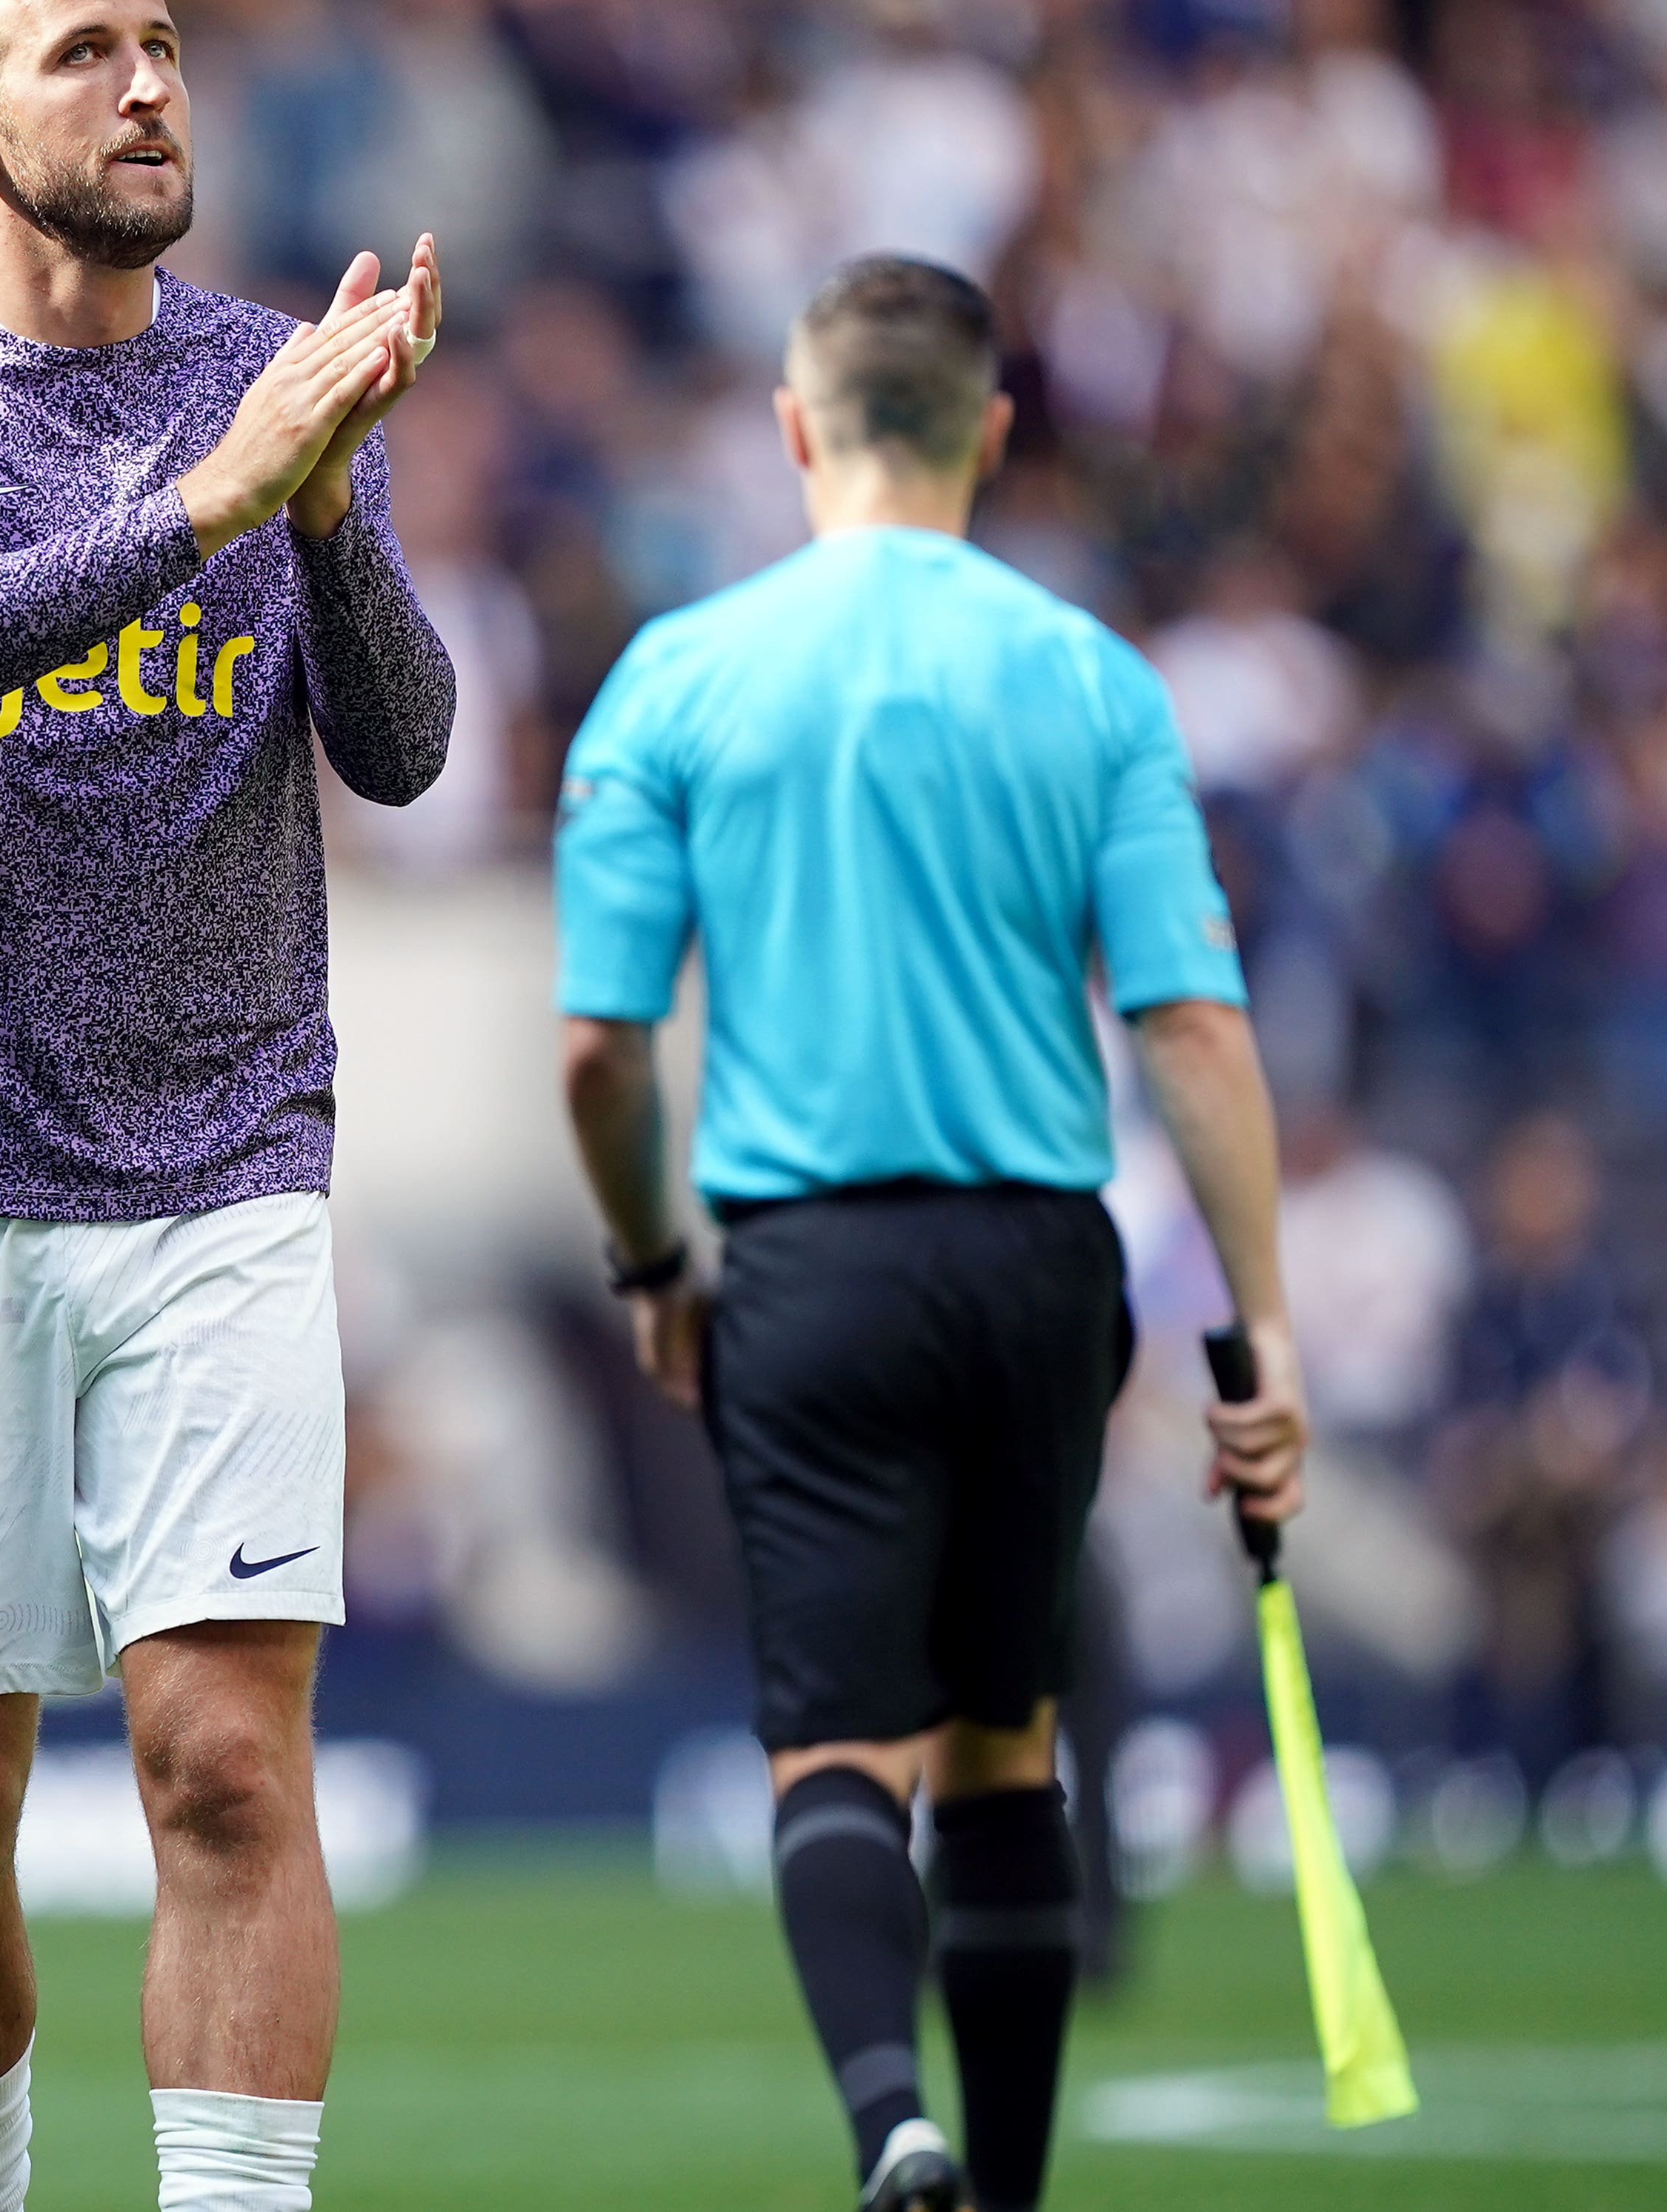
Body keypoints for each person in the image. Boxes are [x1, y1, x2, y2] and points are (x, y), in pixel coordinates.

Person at [0, 0, 453, 2211]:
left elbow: (410, 742)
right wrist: (214, 498)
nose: (149, 86)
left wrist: (324, 508)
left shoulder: (267, 371)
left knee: (227, 1771)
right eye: (83, 57)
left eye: (162, 46)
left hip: (224, 1161)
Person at [554, 253, 1311, 2212]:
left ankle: (892, 2122)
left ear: (795, 429)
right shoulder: (1091, 675)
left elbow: (599, 1057)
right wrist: (1265, 1327)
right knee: (1005, 1746)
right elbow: (1196, 1030)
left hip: (806, 1270)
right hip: (1041, 1265)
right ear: (988, 431)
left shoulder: (679, 676)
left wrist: (653, 1268)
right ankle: (1015, 2184)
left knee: (835, 1751)